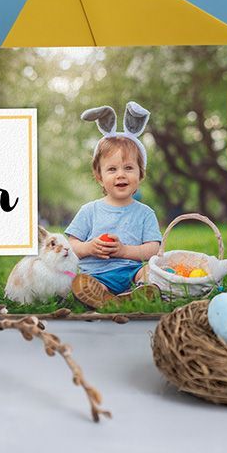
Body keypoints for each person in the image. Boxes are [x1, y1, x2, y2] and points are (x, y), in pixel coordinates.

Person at [66, 103, 162, 308]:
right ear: (100, 177)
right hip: (95, 274)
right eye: (112, 169)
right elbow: (71, 246)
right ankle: (104, 294)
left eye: (128, 168)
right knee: (81, 283)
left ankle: (135, 291)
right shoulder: (89, 211)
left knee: (153, 271)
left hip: (131, 273)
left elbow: (154, 249)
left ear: (140, 174)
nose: (121, 174)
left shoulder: (145, 213)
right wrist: (89, 247)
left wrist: (124, 251)